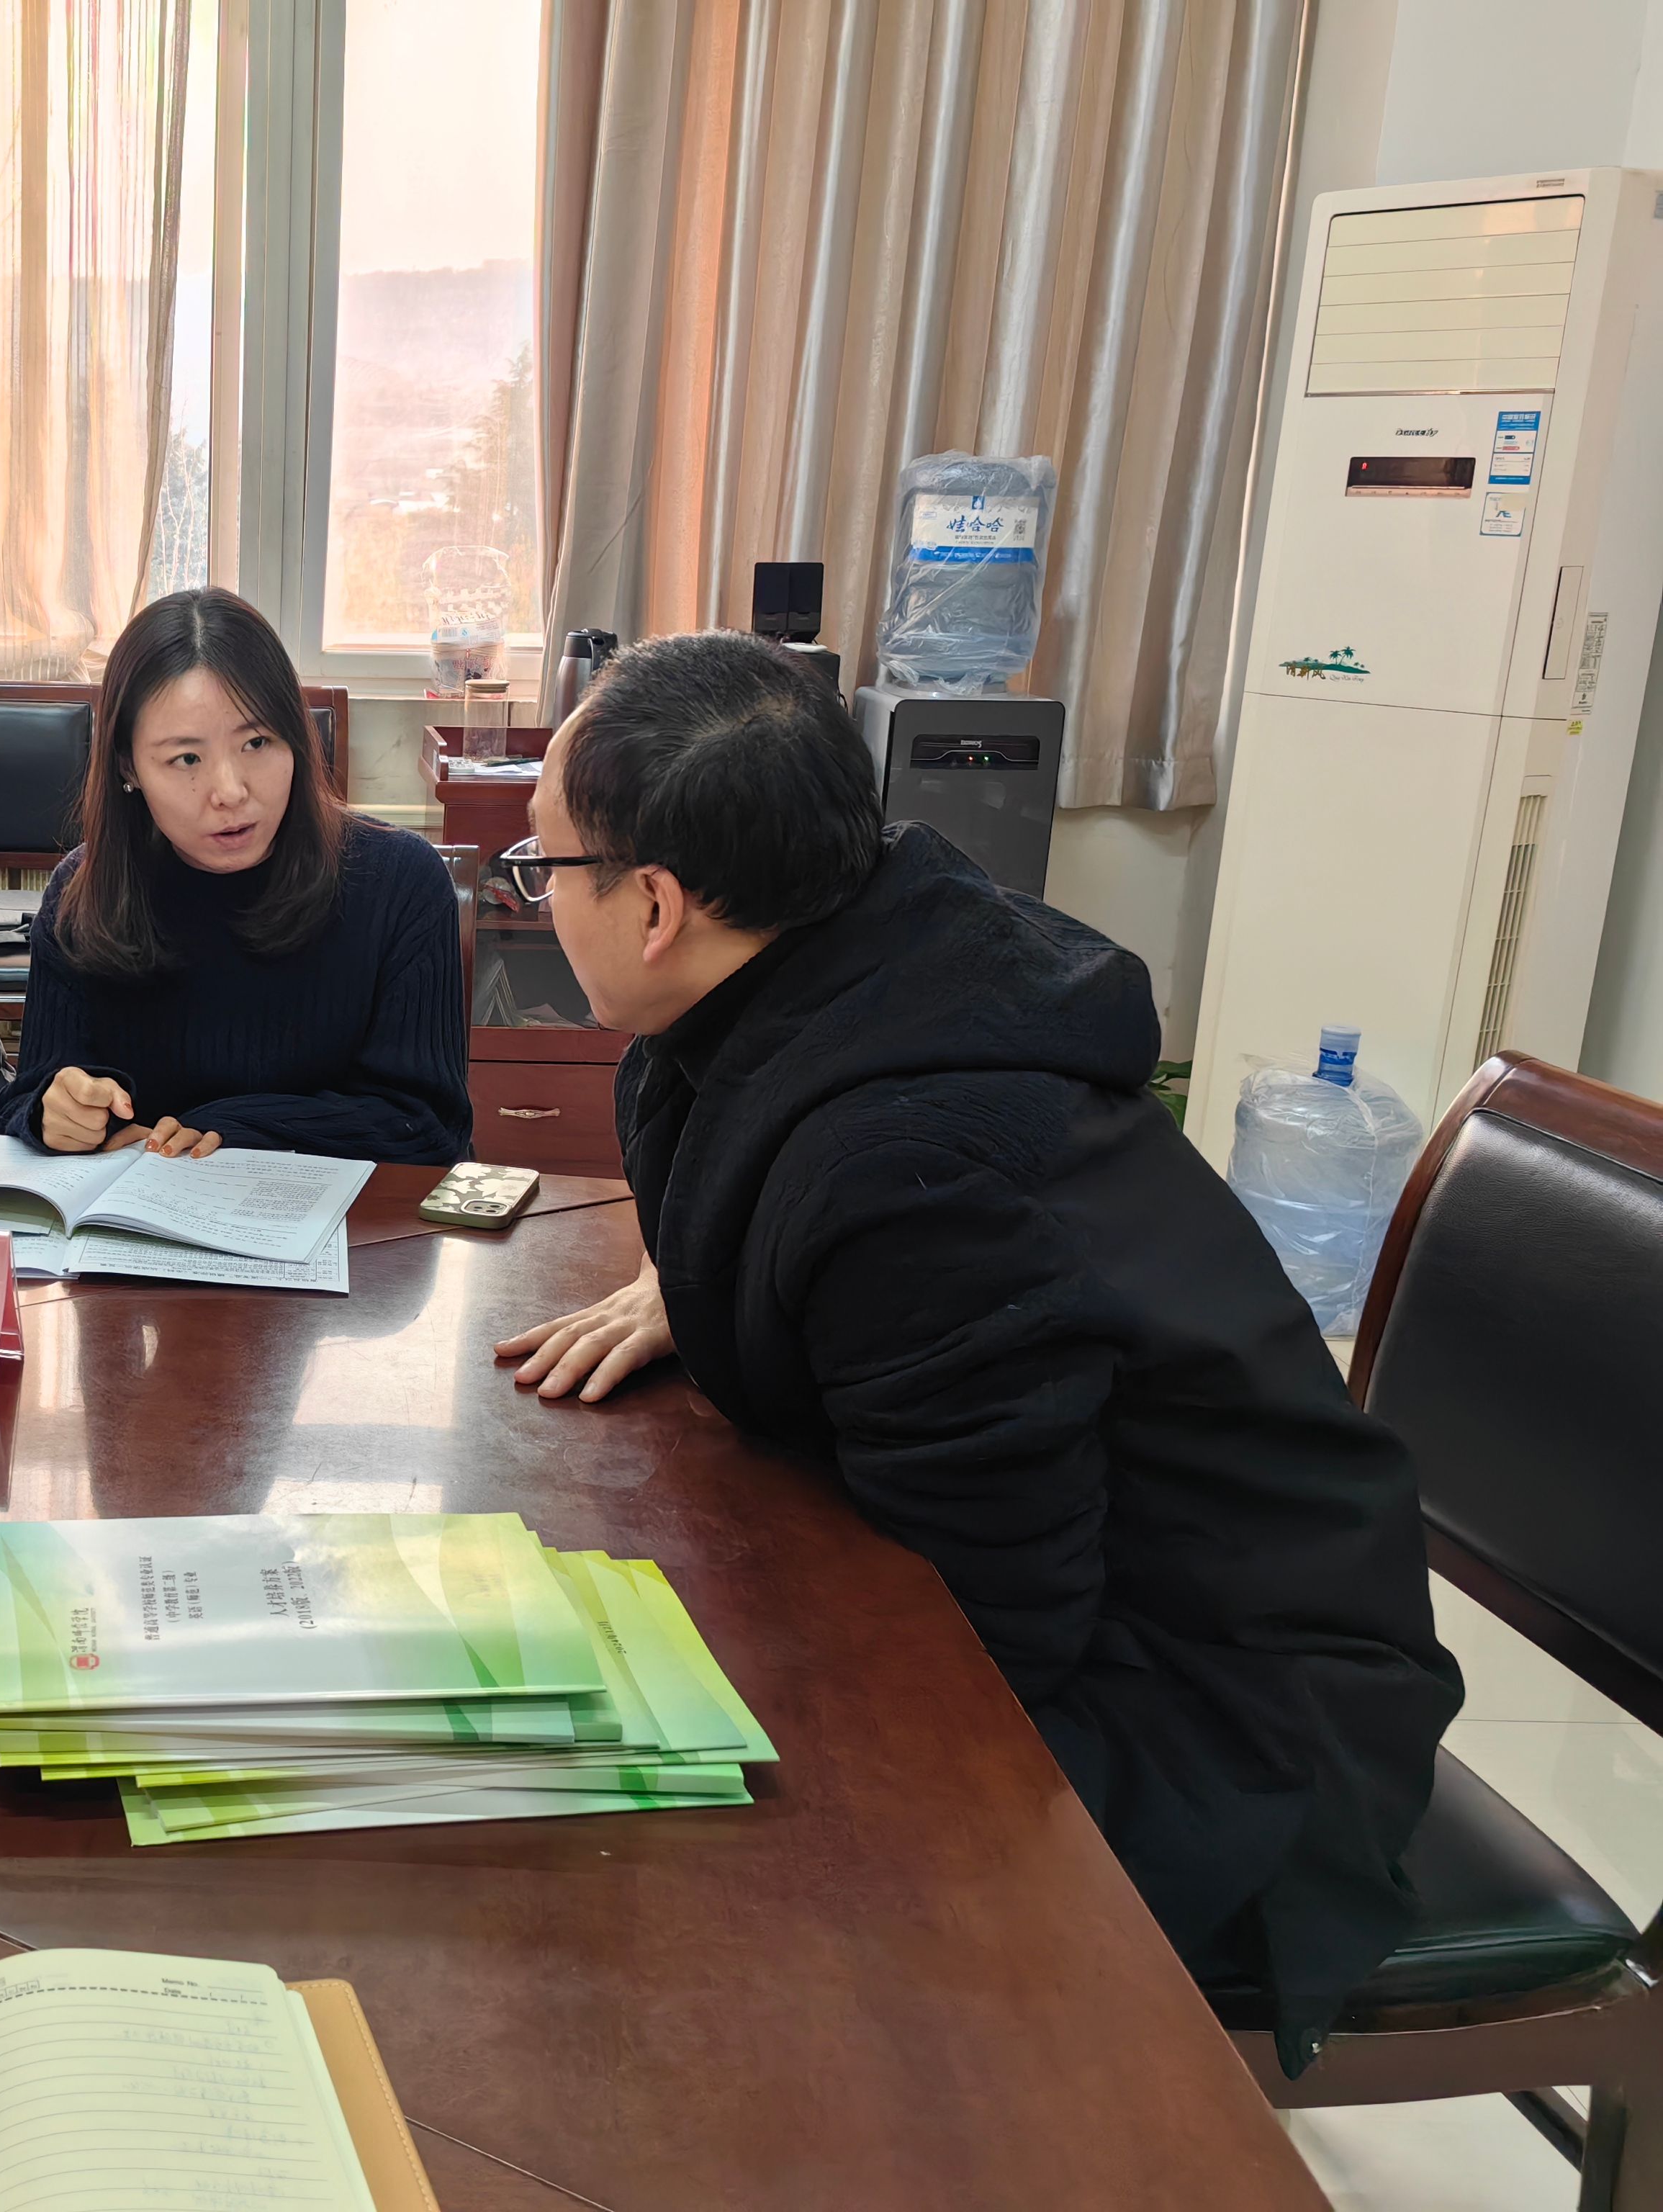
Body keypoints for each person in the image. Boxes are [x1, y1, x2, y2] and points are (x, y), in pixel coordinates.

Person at [492, 629, 1459, 2073]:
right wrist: (701, 1285)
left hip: (1212, 1709)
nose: (533, 893)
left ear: (652, 905)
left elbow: (987, 1653)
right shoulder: (829, 968)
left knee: (640, 1900)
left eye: (545, 864)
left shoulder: (912, 1173)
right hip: (1075, 1606)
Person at [0, 588, 472, 1165]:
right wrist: (52, 1114)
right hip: (141, 1213)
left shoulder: (401, 882)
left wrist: (223, 1128)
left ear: (296, 740)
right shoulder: (82, 894)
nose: (231, 792)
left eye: (257, 742)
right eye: (186, 759)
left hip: (352, 1216)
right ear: (127, 766)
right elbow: (26, 1098)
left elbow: (429, 1125)